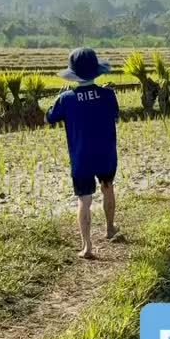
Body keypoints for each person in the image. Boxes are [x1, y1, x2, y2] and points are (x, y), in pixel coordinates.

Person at [46, 47, 121, 258]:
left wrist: (59, 97)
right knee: (108, 187)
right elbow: (114, 115)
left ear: (74, 74)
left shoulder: (66, 99)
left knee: (84, 199)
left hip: (81, 157)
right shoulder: (108, 94)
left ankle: (87, 247)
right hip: (105, 154)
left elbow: (49, 117)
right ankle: (109, 229)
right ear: (96, 71)